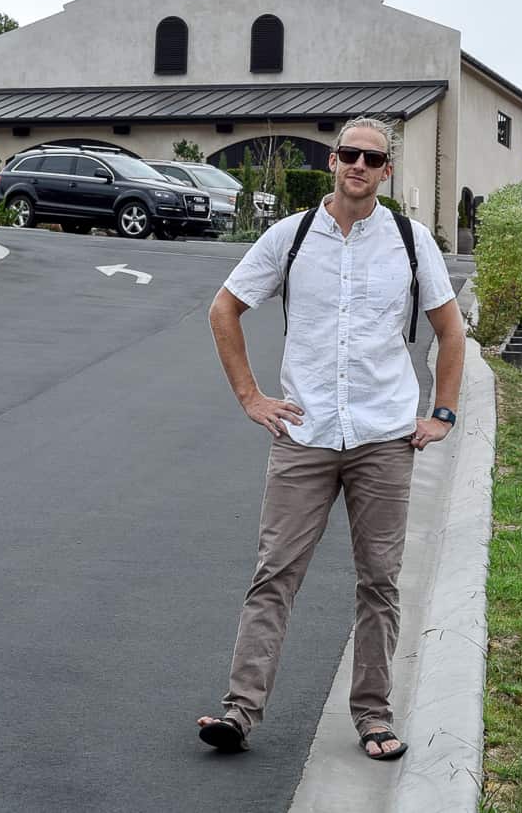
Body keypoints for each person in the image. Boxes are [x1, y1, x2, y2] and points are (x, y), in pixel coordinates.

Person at [197, 116, 466, 762]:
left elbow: (450, 332)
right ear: (332, 160)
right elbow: (223, 308)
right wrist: (250, 396)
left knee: (379, 582)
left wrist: (443, 413)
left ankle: (373, 715)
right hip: (306, 434)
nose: (359, 165)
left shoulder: (409, 240)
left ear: (385, 172)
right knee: (274, 575)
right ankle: (238, 711)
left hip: (383, 438)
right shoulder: (290, 238)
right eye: (349, 154)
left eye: (372, 158)